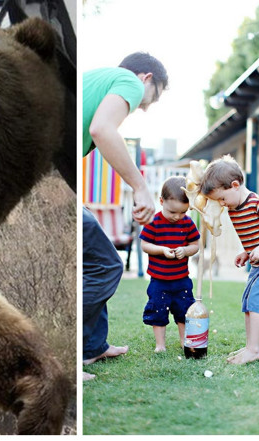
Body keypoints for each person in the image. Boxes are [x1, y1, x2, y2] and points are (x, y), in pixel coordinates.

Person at [82, 52, 167, 380]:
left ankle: (93, 347)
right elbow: (102, 129)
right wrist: (141, 187)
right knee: (107, 264)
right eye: (153, 97)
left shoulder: (97, 81)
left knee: (98, 262)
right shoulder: (128, 81)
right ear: (146, 78)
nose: (145, 107)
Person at [200, 155, 259, 365]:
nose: (222, 204)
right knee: (249, 302)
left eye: (222, 198)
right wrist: (247, 251)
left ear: (235, 185)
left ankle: (254, 350)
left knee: (258, 301)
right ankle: (251, 346)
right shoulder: (234, 207)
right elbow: (255, 232)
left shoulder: (257, 203)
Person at [139, 177, 201, 352]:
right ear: (161, 201)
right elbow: (145, 245)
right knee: (158, 311)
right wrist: (161, 250)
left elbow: (195, 245)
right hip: (159, 280)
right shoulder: (154, 221)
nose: (177, 217)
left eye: (183, 212)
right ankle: (160, 345)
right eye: (172, 212)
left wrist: (185, 250)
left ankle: (184, 341)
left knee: (184, 311)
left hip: (181, 279)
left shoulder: (188, 223)